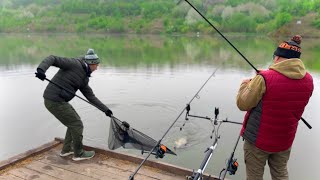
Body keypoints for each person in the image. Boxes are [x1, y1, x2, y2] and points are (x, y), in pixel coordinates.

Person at [236, 35, 313, 180]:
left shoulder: (264, 78)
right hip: (284, 140)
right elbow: (285, 93)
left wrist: (246, 84)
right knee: (280, 174)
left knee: (254, 176)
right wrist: (263, 77)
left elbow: (243, 103)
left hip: (258, 141)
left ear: (277, 57)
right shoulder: (309, 80)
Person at [35, 49, 113, 161]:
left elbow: (90, 97)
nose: (97, 68)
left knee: (73, 123)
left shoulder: (84, 78)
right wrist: (41, 70)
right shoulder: (73, 63)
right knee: (77, 124)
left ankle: (66, 150)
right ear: (91, 64)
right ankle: (79, 153)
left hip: (60, 101)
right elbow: (52, 58)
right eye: (96, 65)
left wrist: (106, 110)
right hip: (54, 100)